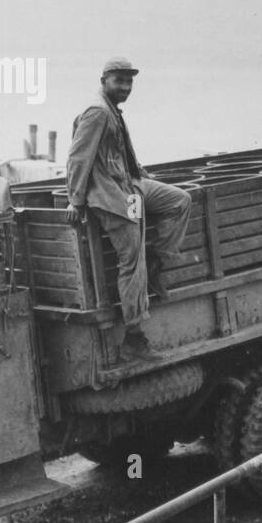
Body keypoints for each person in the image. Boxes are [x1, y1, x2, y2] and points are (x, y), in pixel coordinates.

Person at [65, 57, 192, 363]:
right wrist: (75, 200)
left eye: (129, 81)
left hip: (130, 186)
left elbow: (121, 153)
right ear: (103, 80)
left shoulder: (111, 110)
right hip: (111, 197)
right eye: (119, 81)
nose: (125, 87)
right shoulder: (97, 111)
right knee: (131, 260)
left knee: (180, 200)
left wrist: (143, 176)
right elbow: (78, 158)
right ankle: (134, 339)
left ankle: (156, 265)